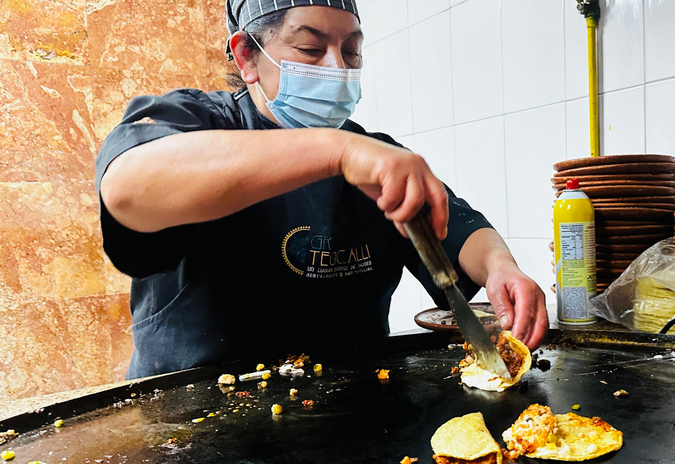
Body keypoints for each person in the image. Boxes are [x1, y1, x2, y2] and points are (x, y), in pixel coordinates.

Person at [95, 0, 548, 379]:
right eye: (311, 48)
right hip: (202, 432)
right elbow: (128, 188)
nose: (336, 69)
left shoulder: (374, 156)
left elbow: (457, 227)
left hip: (354, 425)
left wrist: (499, 267)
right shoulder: (197, 121)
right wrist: (337, 151)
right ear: (247, 57)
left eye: (351, 53)